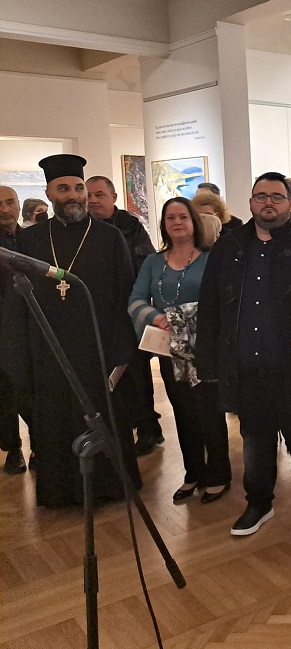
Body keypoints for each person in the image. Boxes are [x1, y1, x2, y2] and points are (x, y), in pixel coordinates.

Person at [197, 172, 291, 537]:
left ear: (290, 204)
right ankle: (258, 504)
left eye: (277, 197)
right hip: (246, 366)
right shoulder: (229, 247)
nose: (268, 203)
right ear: (250, 203)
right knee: (255, 440)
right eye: (261, 196)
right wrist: (208, 361)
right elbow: (210, 307)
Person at [1, 154, 141, 507]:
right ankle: (60, 492)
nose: (75, 195)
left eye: (79, 188)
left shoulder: (109, 237)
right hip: (48, 353)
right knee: (55, 422)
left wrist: (121, 355)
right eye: (64, 189)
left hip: (98, 352)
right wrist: (19, 360)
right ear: (49, 193)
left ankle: (110, 488)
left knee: (104, 419)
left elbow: (125, 296)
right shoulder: (31, 241)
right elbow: (16, 305)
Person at [129, 198, 231, 504]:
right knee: (183, 412)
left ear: (194, 222)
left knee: (210, 412)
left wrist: (184, 316)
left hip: (206, 351)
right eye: (170, 218)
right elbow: (135, 300)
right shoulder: (152, 262)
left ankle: (219, 474)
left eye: (183, 217)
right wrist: (156, 317)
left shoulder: (212, 259)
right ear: (163, 225)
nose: (177, 222)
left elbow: (224, 301)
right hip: (169, 351)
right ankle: (193, 472)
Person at [86, 174, 164, 455]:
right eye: (88, 195)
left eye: (99, 195)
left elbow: (144, 267)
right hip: (96, 315)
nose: (93, 200)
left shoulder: (131, 227)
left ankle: (148, 428)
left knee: (136, 375)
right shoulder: (84, 228)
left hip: (127, 313)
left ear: (113, 198)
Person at [0, 185, 30, 474]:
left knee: (34, 390)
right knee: (5, 393)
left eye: (10, 202)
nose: (5, 209)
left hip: (32, 327)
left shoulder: (32, 239)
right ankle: (13, 449)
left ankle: (42, 444)